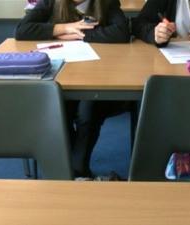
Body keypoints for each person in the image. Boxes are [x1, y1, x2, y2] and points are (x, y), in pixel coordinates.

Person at [15, 0, 130, 177]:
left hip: (98, 77)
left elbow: (122, 32)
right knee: (60, 106)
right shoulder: (51, 2)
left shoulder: (107, 2)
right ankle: (76, 169)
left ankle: (76, 169)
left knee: (88, 110)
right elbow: (22, 30)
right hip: (62, 77)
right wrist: (64, 28)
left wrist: (81, 34)